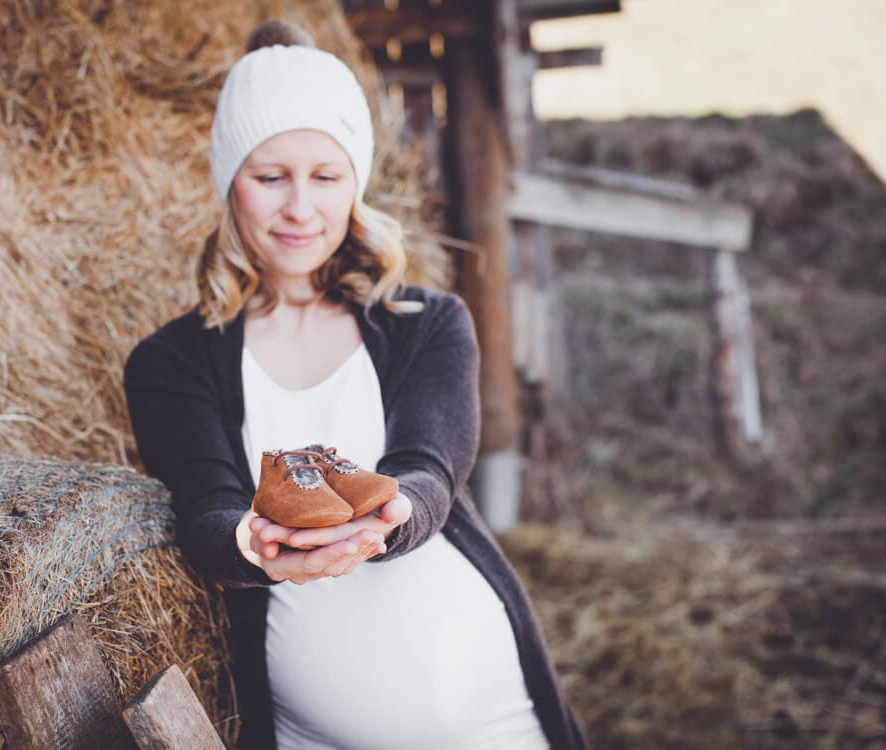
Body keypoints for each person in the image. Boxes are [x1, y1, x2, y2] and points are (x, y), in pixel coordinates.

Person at [124, 20, 587, 750]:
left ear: (356, 184)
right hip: (314, 735)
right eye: (270, 176)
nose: (299, 208)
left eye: (325, 176)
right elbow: (207, 509)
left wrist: (381, 520)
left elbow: (428, 469)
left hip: (494, 719)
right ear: (229, 182)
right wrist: (253, 542)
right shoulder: (170, 363)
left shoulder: (428, 324)